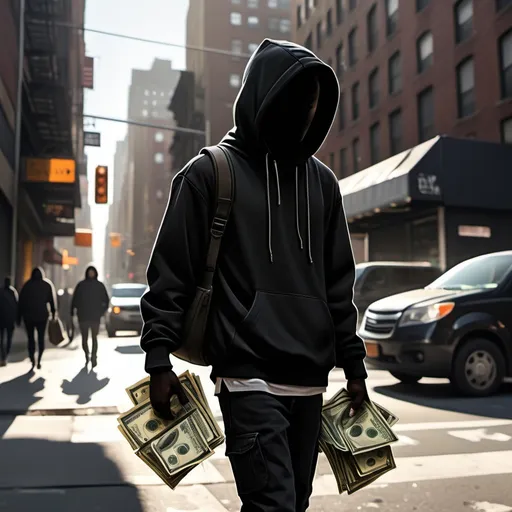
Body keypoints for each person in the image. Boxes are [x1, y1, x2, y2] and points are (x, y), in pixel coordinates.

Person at [140, 39, 368, 512]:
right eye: (294, 99)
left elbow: (338, 286)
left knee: (295, 503)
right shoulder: (209, 174)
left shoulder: (323, 184)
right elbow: (171, 272)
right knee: (274, 505)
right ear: (264, 95)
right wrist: (158, 359)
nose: (305, 113)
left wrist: (355, 366)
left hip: (310, 379)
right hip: (248, 377)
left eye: (312, 103)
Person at [71, 266, 109, 368]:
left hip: (95, 317)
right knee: (84, 339)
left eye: (92, 272)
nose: (91, 274)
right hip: (83, 316)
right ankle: (86, 355)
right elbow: (75, 300)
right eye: (89, 272)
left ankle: (93, 356)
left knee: (94, 338)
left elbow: (106, 300)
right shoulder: (81, 285)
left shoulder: (100, 285)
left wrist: (102, 312)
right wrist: (72, 312)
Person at [18, 267, 56, 370]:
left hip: (28, 316)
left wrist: (18, 317)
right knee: (41, 338)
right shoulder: (46, 285)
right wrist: (53, 313)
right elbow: (52, 301)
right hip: (42, 316)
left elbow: (21, 302)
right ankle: (39, 359)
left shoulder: (27, 285)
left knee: (31, 339)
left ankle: (32, 358)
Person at [0, 277, 18, 366]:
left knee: (1, 339)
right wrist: (17, 319)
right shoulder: (13, 292)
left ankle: (3, 356)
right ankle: (5, 355)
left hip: (2, 319)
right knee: (9, 339)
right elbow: (17, 306)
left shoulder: (1, 291)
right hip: (10, 320)